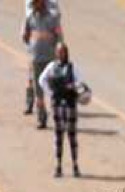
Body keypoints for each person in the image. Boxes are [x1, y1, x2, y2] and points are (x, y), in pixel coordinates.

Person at [38, 42, 82, 177]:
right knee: (58, 136)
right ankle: (58, 166)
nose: (61, 54)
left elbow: (80, 82)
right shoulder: (52, 66)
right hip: (57, 104)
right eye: (59, 51)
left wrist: (72, 86)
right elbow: (41, 80)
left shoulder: (72, 67)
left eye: (63, 51)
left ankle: (75, 165)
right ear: (56, 53)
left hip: (69, 103)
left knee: (72, 135)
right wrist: (50, 92)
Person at [21, 0, 63, 129]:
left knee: (53, 87)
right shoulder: (30, 17)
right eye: (33, 3)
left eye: (36, 2)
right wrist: (30, 44)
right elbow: (25, 34)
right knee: (38, 89)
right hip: (35, 59)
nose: (34, 5)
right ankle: (41, 117)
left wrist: (59, 48)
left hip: (50, 58)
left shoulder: (52, 17)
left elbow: (59, 35)